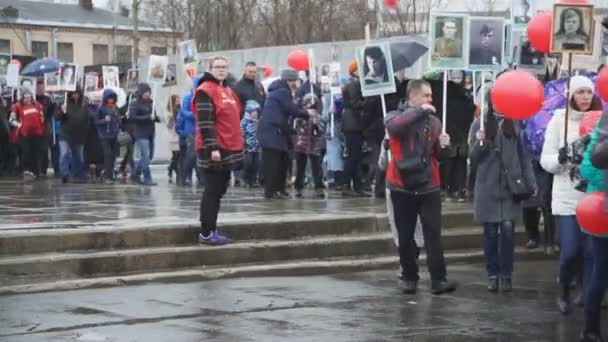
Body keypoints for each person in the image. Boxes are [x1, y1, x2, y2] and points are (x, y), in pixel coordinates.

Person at [384, 79, 457, 295]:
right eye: (426, 95)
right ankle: (409, 277)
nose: (430, 100)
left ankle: (438, 279)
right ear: (413, 97)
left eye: (431, 96)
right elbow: (395, 128)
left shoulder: (434, 122)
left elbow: (440, 156)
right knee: (405, 235)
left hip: (429, 185)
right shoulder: (394, 116)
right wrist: (419, 111)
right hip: (401, 185)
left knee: (433, 234)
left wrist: (446, 146)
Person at [540, 75, 601, 315]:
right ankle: (564, 287)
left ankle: (586, 292)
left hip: (593, 197)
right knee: (570, 251)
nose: (585, 97)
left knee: (590, 252)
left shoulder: (601, 121)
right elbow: (546, 160)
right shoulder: (558, 121)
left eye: (589, 92)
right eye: (580, 92)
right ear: (571, 95)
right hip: (566, 198)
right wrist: (561, 157)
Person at [469, 90, 536, 292]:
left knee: (507, 229)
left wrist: (531, 183)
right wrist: (480, 142)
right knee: (490, 232)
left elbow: (524, 157)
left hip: (510, 186)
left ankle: (506, 273)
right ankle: (492, 273)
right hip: (487, 186)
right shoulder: (478, 123)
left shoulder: (515, 124)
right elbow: (473, 158)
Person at [194, 56, 243, 245]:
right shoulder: (205, 90)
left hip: (228, 146)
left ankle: (212, 229)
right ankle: (206, 232)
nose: (221, 70)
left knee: (219, 190)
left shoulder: (227, 90)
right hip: (214, 148)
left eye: (224, 67)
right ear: (210, 69)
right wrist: (212, 147)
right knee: (212, 191)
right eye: (218, 67)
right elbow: (206, 122)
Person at [258, 69, 311, 199]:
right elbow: (291, 109)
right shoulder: (282, 92)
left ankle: (279, 189)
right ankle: (271, 191)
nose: (296, 83)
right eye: (294, 80)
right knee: (273, 164)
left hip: (277, 132)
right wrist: (307, 113)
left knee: (282, 162)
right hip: (272, 133)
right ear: (289, 80)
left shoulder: (278, 91)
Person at [579, 110, 608, 342]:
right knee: (601, 270)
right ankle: (590, 328)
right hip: (603, 212)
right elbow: (588, 168)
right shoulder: (604, 126)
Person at [341, 63, 369, 197]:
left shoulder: (356, 84)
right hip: (352, 123)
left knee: (357, 156)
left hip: (355, 123)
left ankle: (358, 186)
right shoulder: (353, 84)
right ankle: (346, 185)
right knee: (352, 156)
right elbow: (354, 103)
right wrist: (368, 102)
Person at [293, 93, 325, 198]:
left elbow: (320, 130)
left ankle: (319, 187)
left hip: (314, 144)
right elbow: (297, 128)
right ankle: (298, 187)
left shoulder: (318, 117)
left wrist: (316, 124)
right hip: (302, 144)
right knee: (300, 167)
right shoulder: (300, 116)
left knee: (316, 167)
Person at [9, 89, 44, 180]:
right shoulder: (16, 106)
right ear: (22, 98)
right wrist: (20, 125)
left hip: (36, 133)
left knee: (36, 153)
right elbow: (11, 120)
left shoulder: (38, 105)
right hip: (24, 134)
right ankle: (27, 171)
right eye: (26, 98)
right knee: (26, 152)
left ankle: (36, 172)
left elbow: (42, 117)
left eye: (29, 97)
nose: (28, 100)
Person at [129, 83, 159, 186]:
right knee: (145, 155)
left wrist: (157, 118)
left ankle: (135, 174)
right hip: (141, 132)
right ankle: (147, 178)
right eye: (145, 92)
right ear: (141, 92)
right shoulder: (135, 103)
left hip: (150, 131)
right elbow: (132, 117)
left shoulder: (151, 102)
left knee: (149, 157)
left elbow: (153, 116)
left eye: (149, 92)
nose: (147, 94)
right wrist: (147, 117)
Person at [57, 87, 89, 183]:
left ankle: (78, 173)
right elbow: (57, 117)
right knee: (64, 153)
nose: (75, 95)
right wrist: (62, 111)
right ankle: (64, 173)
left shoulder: (83, 105)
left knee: (78, 155)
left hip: (79, 135)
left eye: (77, 93)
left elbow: (86, 119)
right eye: (74, 93)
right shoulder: (64, 104)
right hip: (65, 133)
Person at [176, 77, 201, 187]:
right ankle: (182, 177)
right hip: (191, 130)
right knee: (191, 155)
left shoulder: (203, 98)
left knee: (199, 156)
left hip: (202, 130)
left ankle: (201, 178)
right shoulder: (188, 98)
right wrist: (194, 114)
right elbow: (183, 112)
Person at [95, 88, 120, 184]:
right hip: (104, 136)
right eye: (109, 98)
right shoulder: (100, 108)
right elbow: (96, 121)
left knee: (113, 156)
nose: (111, 100)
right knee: (107, 155)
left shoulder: (115, 107)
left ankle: (110, 175)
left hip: (114, 135)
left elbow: (118, 121)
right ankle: (107, 177)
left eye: (112, 98)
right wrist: (104, 120)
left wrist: (118, 118)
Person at [36, 81, 57, 177]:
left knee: (44, 149)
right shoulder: (33, 98)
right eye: (38, 88)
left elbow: (51, 112)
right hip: (35, 126)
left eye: (41, 88)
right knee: (37, 149)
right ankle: (37, 168)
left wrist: (52, 104)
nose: (40, 90)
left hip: (45, 126)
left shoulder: (47, 99)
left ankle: (43, 170)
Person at [241, 100, 261, 188]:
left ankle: (253, 180)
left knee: (256, 164)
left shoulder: (257, 122)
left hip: (256, 147)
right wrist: (244, 142)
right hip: (247, 147)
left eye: (257, 111)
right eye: (254, 111)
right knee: (248, 163)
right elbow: (241, 134)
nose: (256, 113)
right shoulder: (244, 122)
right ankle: (245, 179)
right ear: (249, 111)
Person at [166, 95, 181, 183]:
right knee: (176, 155)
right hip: (172, 135)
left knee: (177, 155)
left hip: (179, 134)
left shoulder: (180, 110)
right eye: (176, 101)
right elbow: (169, 125)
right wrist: (171, 118)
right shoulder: (169, 112)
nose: (178, 102)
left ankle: (171, 169)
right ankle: (173, 170)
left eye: (179, 100)